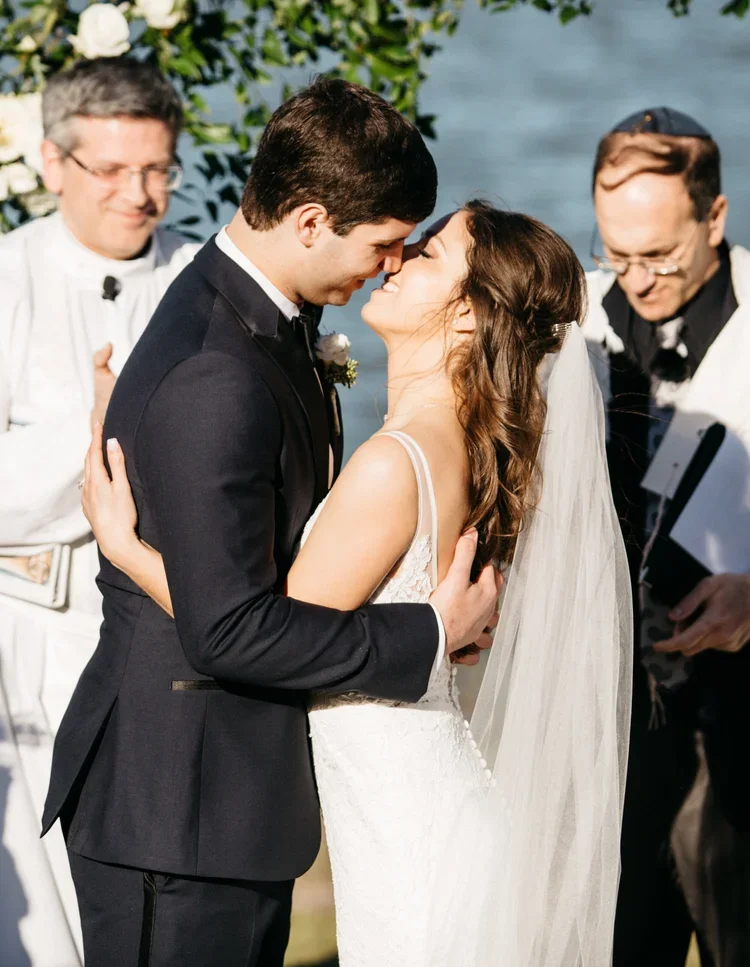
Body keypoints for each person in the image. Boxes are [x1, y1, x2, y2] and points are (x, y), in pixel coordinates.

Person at [81, 199, 633, 966]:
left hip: (411, 850)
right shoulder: (455, 447)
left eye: (429, 254)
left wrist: (128, 546)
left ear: (470, 319)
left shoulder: (394, 462)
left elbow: (260, 632)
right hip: (412, 823)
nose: (397, 258)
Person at [42, 79, 503, 967]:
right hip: (174, 816)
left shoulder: (266, 316)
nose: (391, 263)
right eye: (381, 242)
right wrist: (429, 634)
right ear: (309, 219)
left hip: (223, 805)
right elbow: (228, 629)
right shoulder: (220, 371)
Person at [0, 57, 198, 964]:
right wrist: (95, 436)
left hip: (164, 642)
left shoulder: (199, 283)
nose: (140, 194)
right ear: (51, 162)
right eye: (112, 171)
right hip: (23, 642)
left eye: (158, 168)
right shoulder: (9, 276)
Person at [583, 107, 750, 967]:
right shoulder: (566, 323)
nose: (636, 279)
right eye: (618, 253)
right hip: (599, 731)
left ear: (715, 218)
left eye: (661, 255)